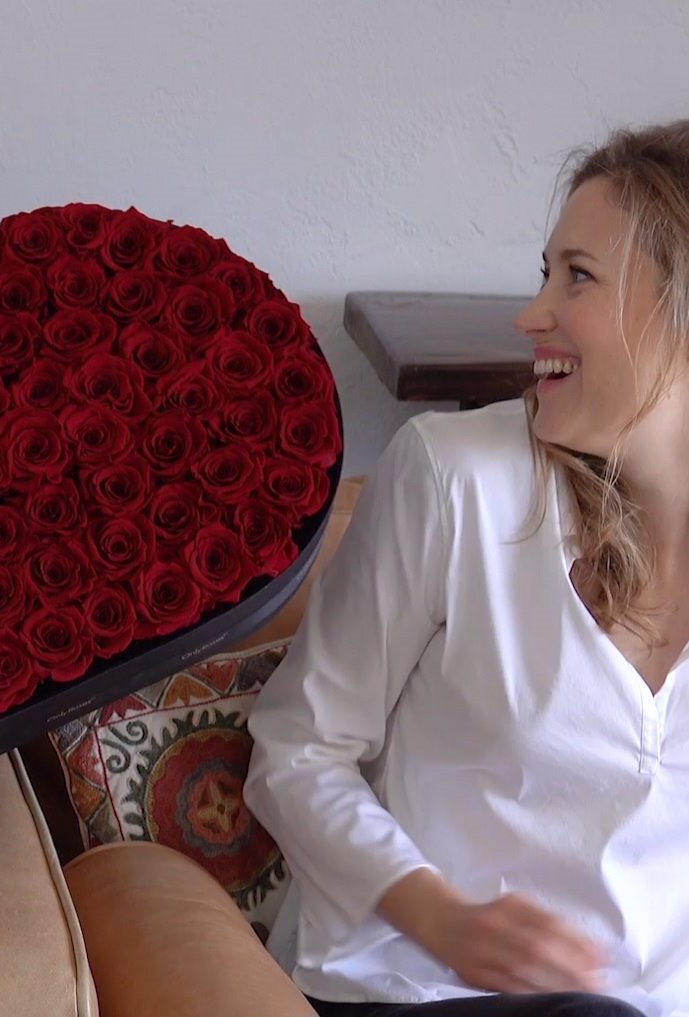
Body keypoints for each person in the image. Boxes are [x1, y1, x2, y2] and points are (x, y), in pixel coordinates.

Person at [244, 119, 689, 1017]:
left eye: (578, 276)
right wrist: (441, 917)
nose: (530, 315)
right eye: (545, 271)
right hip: (411, 986)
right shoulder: (455, 478)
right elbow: (295, 751)